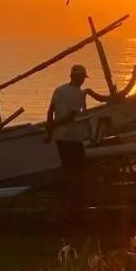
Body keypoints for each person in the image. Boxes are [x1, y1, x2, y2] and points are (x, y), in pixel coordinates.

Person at [44, 64, 110, 208]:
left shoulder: (59, 90)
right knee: (79, 168)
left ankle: (66, 197)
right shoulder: (78, 94)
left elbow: (50, 111)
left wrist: (50, 131)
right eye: (82, 78)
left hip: (59, 137)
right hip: (72, 137)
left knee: (66, 166)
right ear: (78, 78)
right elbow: (71, 116)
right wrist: (57, 125)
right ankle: (75, 199)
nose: (83, 81)